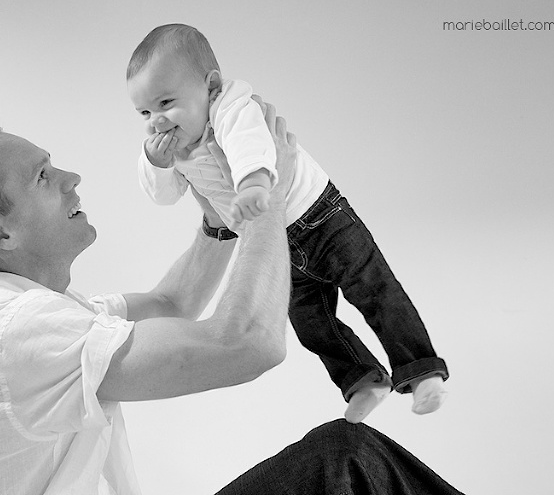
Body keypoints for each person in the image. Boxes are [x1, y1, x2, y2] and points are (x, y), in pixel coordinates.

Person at [0, 101, 464, 494]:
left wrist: (218, 216)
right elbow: (248, 344)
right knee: (345, 459)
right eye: (42, 176)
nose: (71, 177)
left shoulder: (56, 316)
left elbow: (173, 303)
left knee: (344, 459)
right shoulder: (12, 334)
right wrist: (265, 198)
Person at [127, 23, 449, 423]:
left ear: (210, 86)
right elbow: (164, 196)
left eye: (166, 102)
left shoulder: (229, 108)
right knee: (310, 322)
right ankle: (363, 378)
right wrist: (155, 163)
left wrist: (254, 184)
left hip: (320, 216)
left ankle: (421, 370)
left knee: (374, 289)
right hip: (276, 241)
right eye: (145, 112)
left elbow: (252, 146)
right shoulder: (174, 148)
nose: (156, 121)